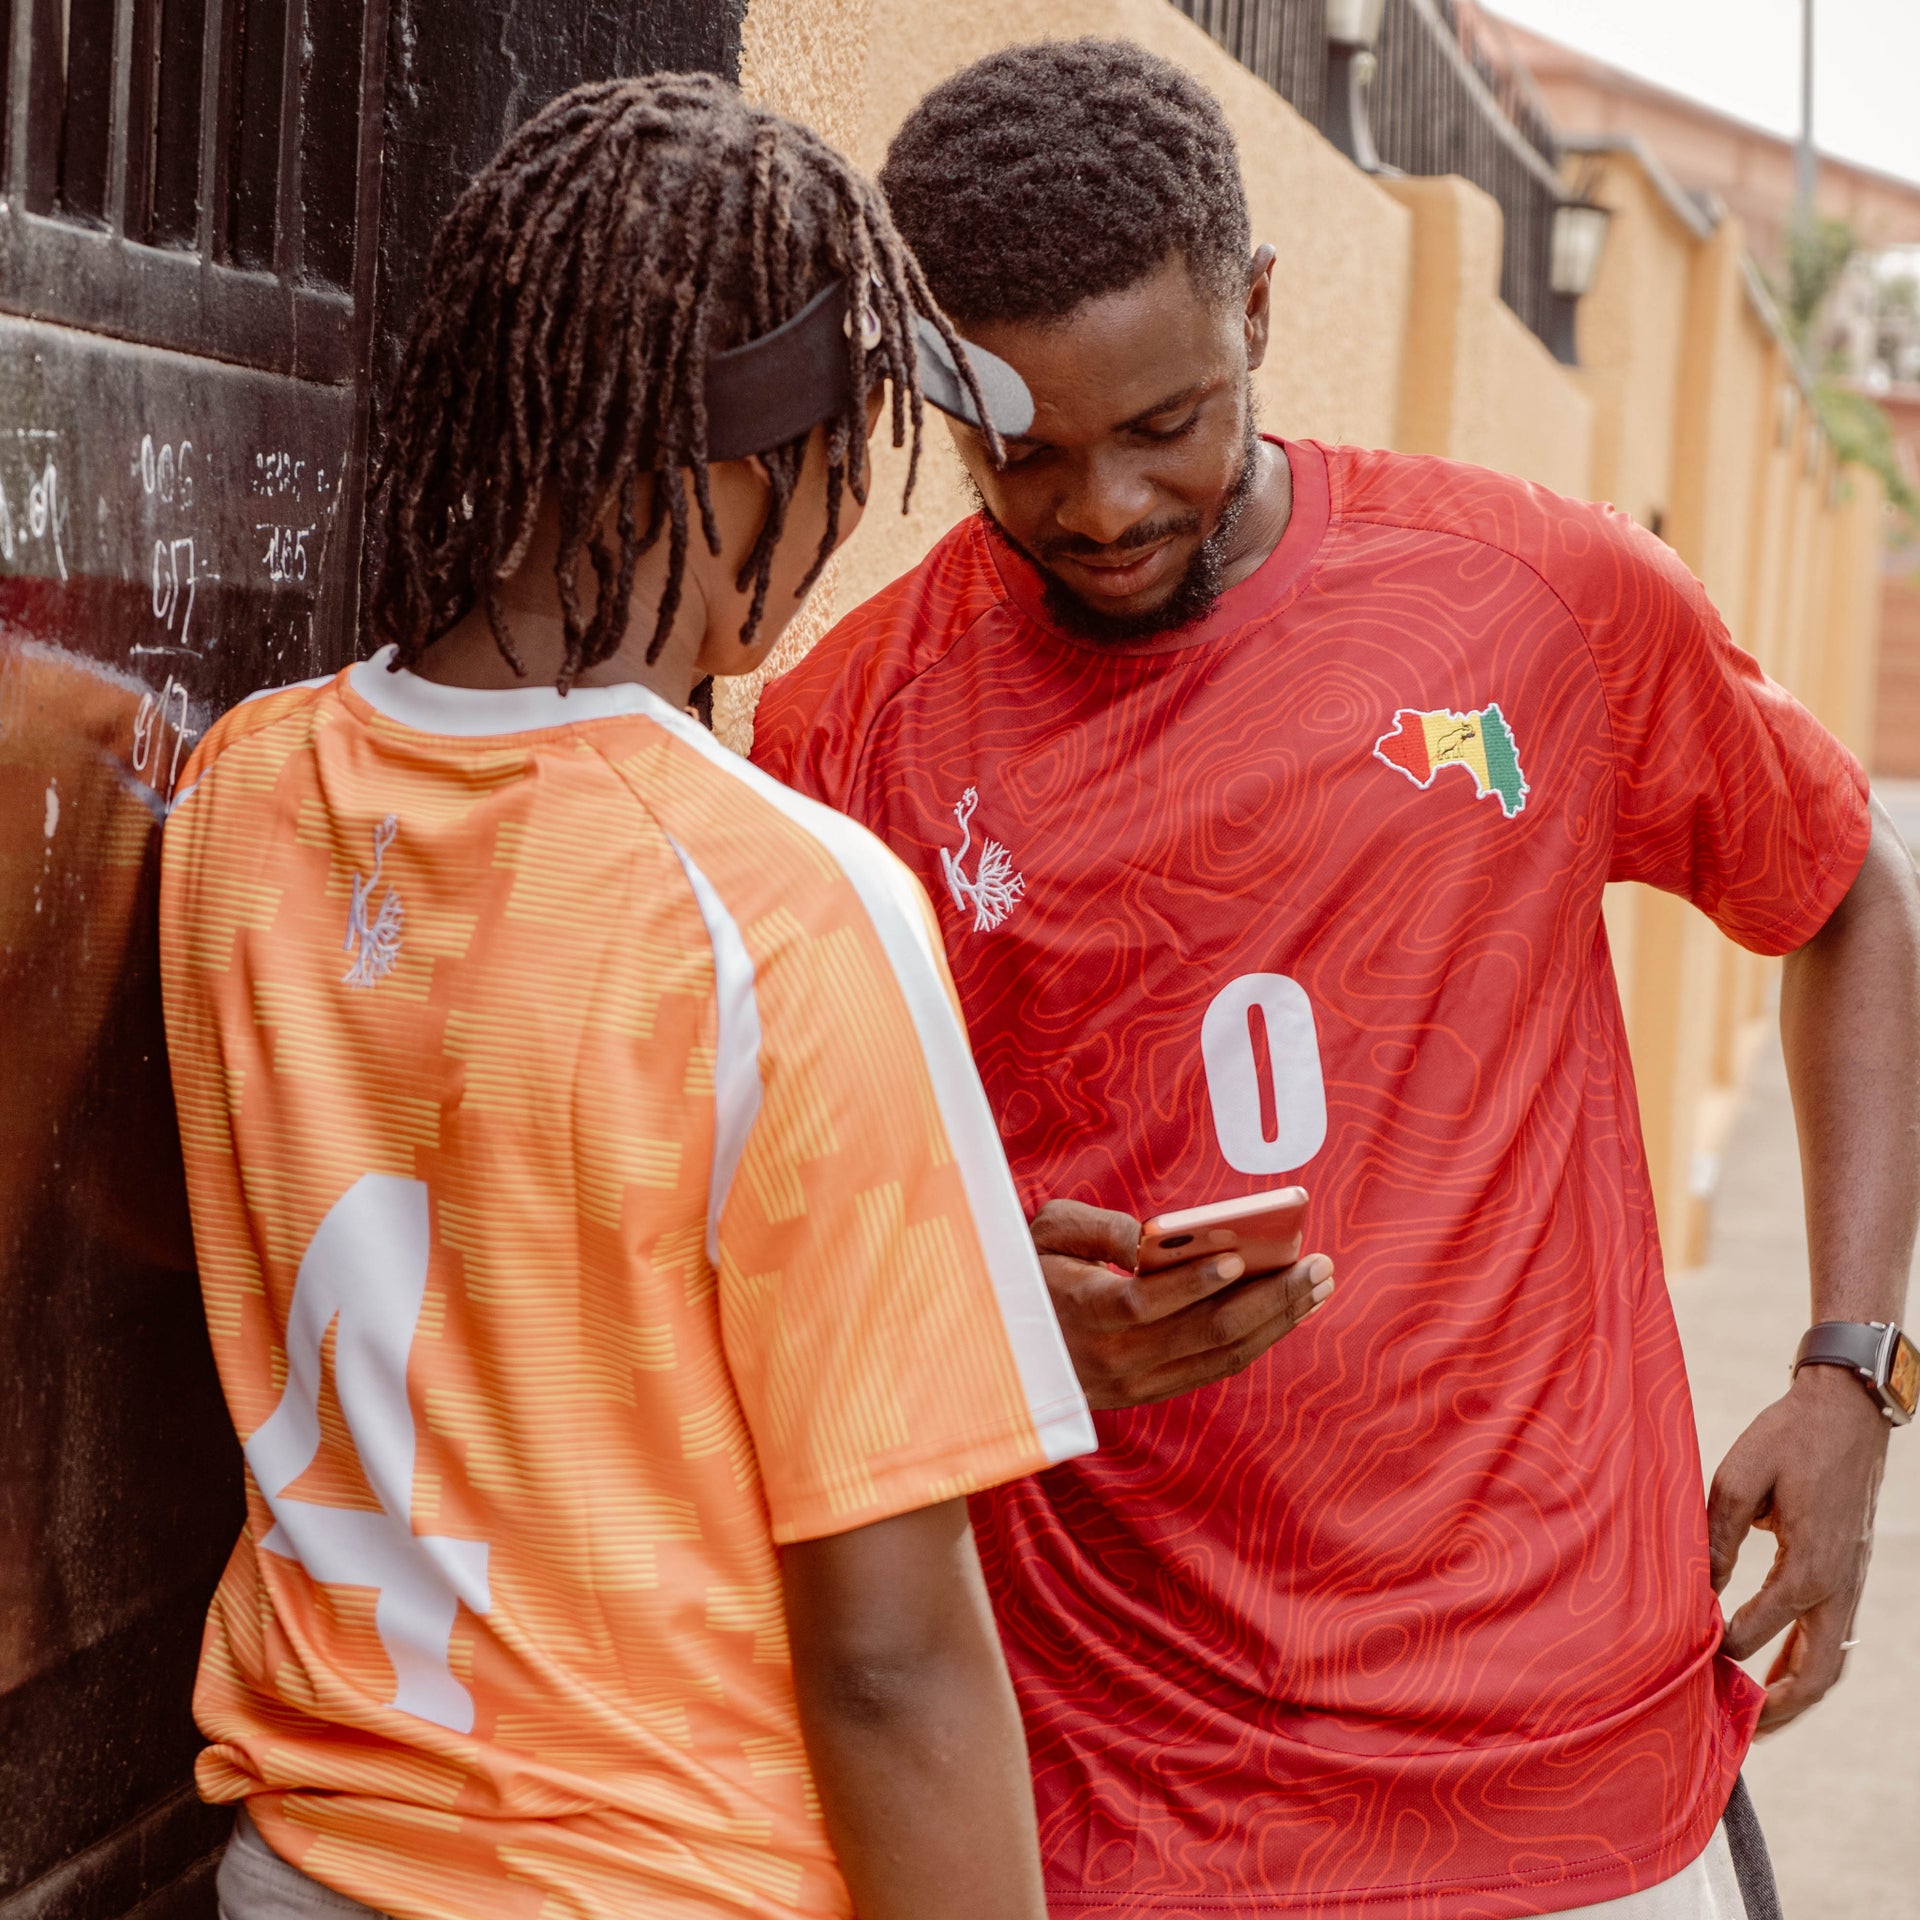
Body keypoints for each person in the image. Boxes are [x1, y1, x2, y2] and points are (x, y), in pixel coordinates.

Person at [751, 38, 1920, 1920]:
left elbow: (1853, 894)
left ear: (1261, 312)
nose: (1105, 505)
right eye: (1022, 452)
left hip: (1573, 1793)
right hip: (1128, 1817)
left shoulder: (1536, 600)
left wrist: (1854, 1372)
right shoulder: (843, 740)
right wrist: (987, 1322)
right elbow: (771, 1270)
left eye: (1168, 421)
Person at [159, 74, 1093, 1920]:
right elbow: (891, 1654)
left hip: (299, 1858)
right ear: (757, 467)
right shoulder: (789, 907)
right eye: (849, 452)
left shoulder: (240, 792)